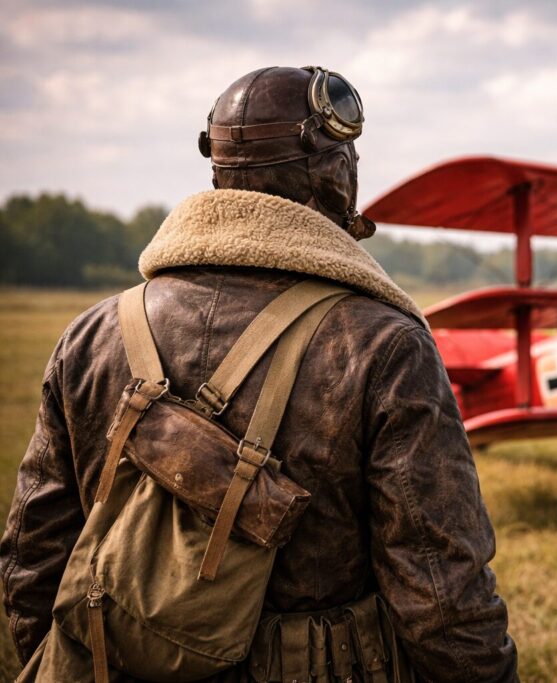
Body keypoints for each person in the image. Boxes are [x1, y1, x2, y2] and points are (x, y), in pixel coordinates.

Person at [0, 66, 518, 682]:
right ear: (334, 174)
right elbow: (442, 599)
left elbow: (31, 564)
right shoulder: (387, 346)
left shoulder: (91, 335)